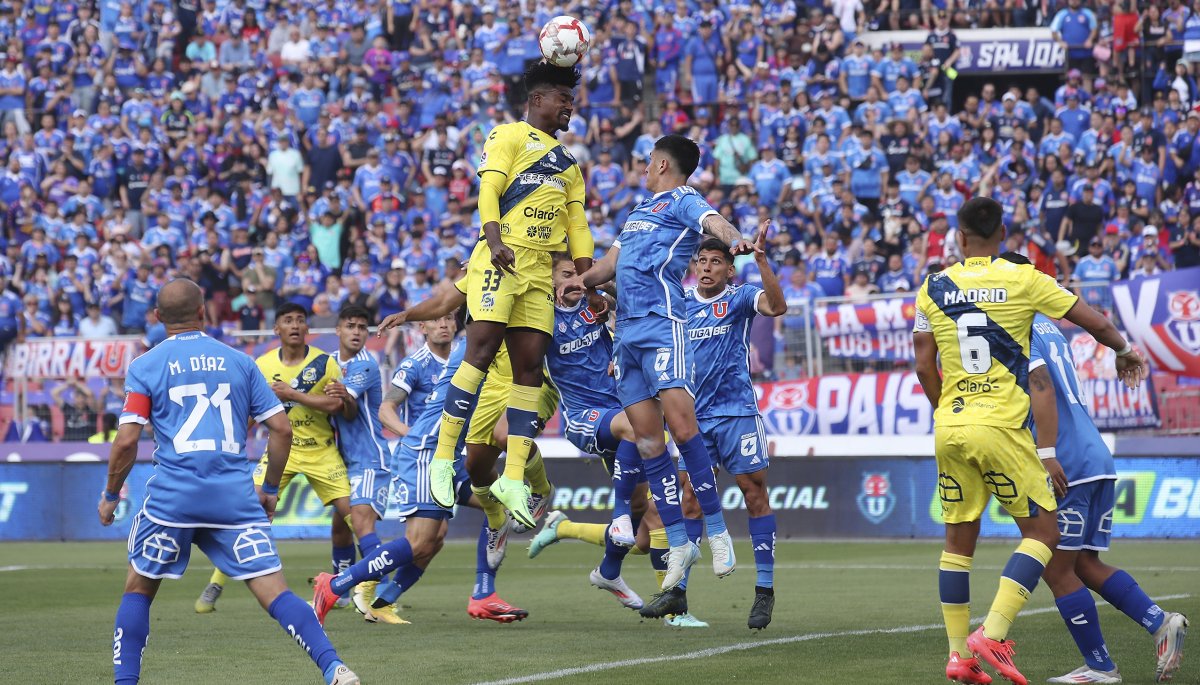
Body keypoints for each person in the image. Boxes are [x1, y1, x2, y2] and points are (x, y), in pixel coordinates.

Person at [912, 197, 1147, 685]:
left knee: (957, 543)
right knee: (1044, 535)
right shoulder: (1023, 279)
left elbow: (921, 365)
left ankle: (957, 656)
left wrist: (949, 411)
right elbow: (1093, 321)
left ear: (958, 238)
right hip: (1000, 426)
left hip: (950, 426)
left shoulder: (932, 287)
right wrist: (1123, 349)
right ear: (1002, 233)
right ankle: (992, 634)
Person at [98, 279, 359, 685]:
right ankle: (335, 668)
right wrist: (270, 490)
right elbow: (281, 429)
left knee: (138, 588)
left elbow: (128, 439)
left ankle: (125, 682)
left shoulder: (145, 365)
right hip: (233, 498)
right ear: (204, 313)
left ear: (157, 318)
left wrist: (112, 494)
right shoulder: (240, 362)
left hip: (173, 499)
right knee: (275, 591)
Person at [378, 61, 596, 529]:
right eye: (563, 98)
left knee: (530, 368)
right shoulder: (507, 135)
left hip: (538, 271)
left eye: (572, 100)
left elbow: (576, 226)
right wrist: (493, 239)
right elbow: (490, 189)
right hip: (500, 259)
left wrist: (588, 278)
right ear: (538, 100)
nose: (569, 107)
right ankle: (441, 459)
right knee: (478, 352)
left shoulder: (571, 165)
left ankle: (515, 476)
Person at [558, 134, 748, 609]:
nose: (644, 167)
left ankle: (719, 533)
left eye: (648, 161)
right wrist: (579, 282)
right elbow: (609, 266)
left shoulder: (682, 199)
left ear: (663, 163)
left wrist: (736, 239)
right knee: (648, 442)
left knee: (684, 428)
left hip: (665, 326)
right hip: (628, 337)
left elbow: (713, 221)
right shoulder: (638, 213)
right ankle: (681, 542)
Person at [1018, 270, 1189, 684]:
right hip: (1096, 454)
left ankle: (1100, 666)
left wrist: (1046, 452)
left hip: (1066, 459)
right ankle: (1159, 622)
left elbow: (1041, 388)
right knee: (1083, 562)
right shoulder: (1052, 330)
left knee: (1056, 569)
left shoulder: (1015, 326)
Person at [195, 303, 353, 614]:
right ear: (276, 329)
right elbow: (249, 410)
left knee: (354, 516)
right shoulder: (261, 365)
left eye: (300, 321)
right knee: (248, 512)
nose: (295, 325)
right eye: (288, 320)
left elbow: (336, 405)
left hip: (320, 449)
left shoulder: (325, 363)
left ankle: (364, 588)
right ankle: (215, 584)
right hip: (280, 452)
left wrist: (292, 394)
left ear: (307, 329)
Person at [677, 231, 786, 630]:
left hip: (737, 414)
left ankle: (764, 592)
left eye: (716, 262)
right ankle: (679, 598)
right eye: (701, 261)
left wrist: (760, 260)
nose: (707, 268)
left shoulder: (739, 298)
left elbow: (777, 306)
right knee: (689, 500)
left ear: (728, 269)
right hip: (693, 419)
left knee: (753, 494)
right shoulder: (680, 302)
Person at [321, 304, 408, 625]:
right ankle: (340, 593)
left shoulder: (365, 365)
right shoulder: (328, 363)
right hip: (344, 459)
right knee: (339, 527)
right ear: (338, 330)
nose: (356, 332)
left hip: (371, 457)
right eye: (350, 326)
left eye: (362, 328)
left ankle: (381, 593)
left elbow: (346, 408)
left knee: (360, 523)